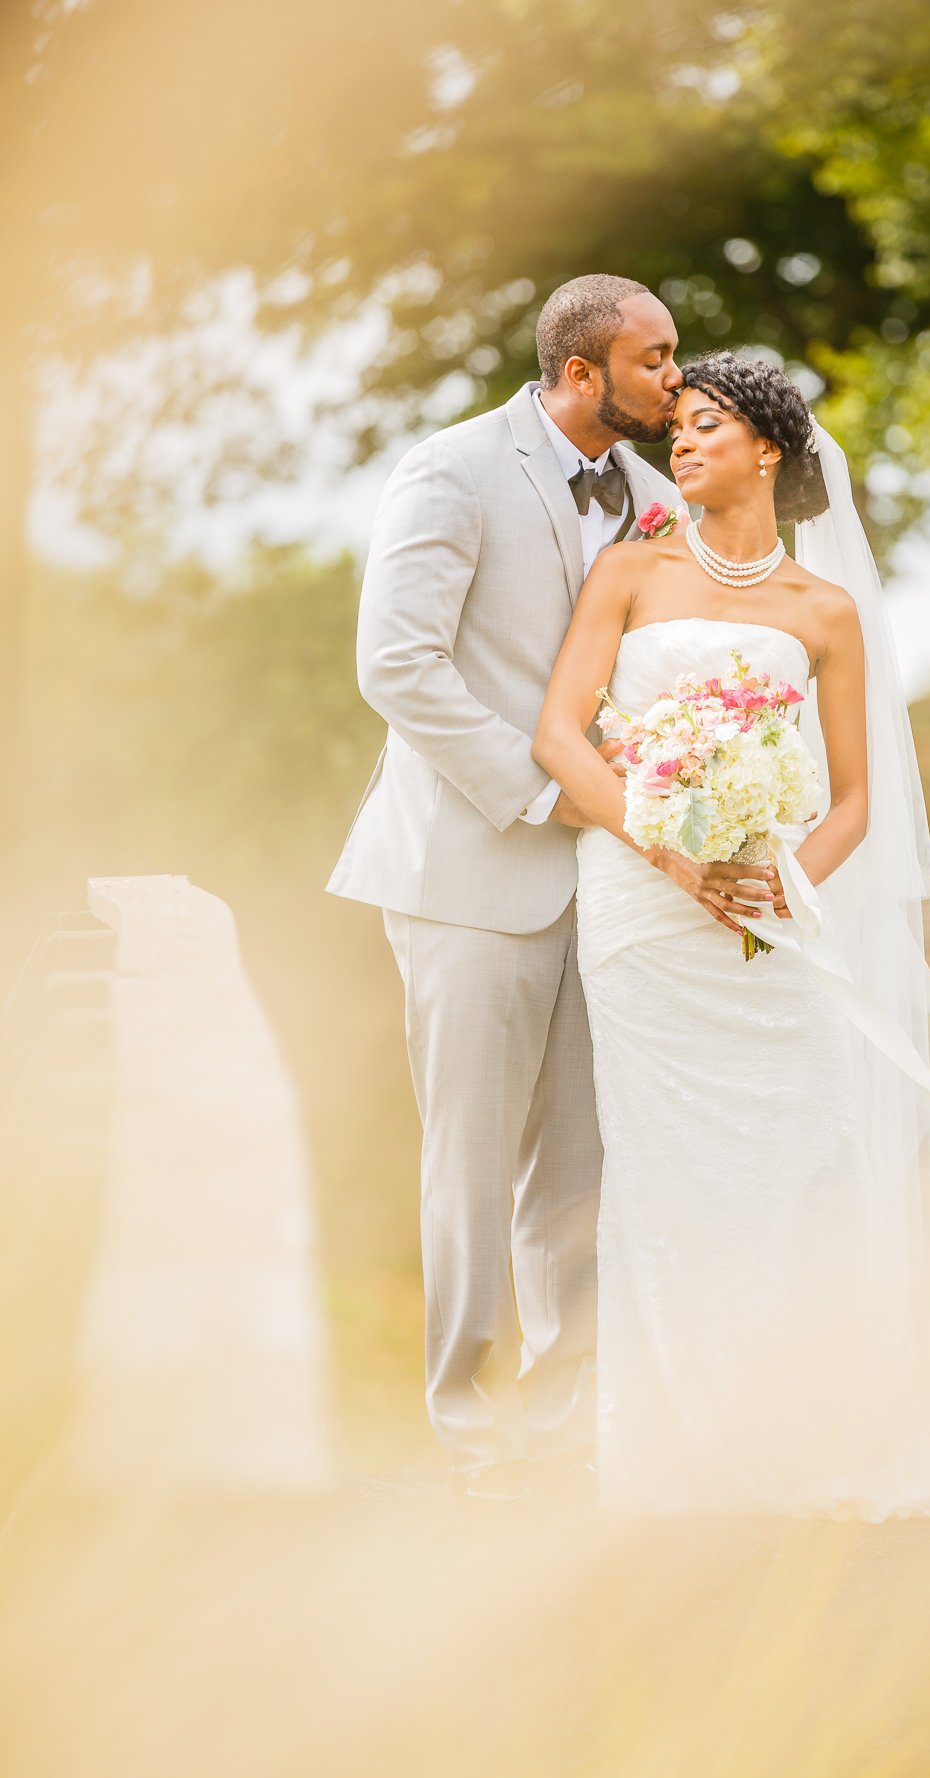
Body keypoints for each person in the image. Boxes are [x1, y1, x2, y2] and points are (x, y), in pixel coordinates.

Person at [533, 351, 930, 1519]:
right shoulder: (628, 574)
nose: (679, 441)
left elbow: (856, 803)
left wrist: (785, 890)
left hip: (774, 922)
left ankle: (818, 1439)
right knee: (664, 1170)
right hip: (644, 907)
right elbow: (562, 739)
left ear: (768, 449)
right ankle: (676, 1457)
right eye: (674, 425)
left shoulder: (823, 612)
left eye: (706, 423)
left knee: (807, 1156)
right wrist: (671, 849)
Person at [325, 275, 685, 1499]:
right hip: (468, 868)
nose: (673, 381)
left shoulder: (654, 496)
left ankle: (565, 1428)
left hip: (611, 884)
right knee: (470, 1170)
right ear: (581, 372)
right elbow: (398, 665)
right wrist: (541, 796)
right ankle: (475, 1444)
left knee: (580, 1179)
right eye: (654, 360)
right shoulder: (454, 468)